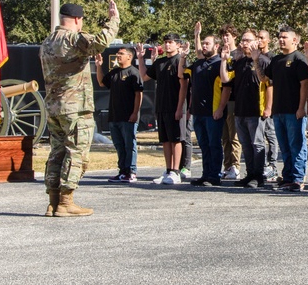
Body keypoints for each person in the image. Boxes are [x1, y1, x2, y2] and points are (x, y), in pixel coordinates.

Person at [40, 0, 119, 217]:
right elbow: (101, 42)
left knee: (57, 152)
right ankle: (66, 203)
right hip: (75, 108)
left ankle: (53, 202)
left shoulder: (47, 42)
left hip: (54, 108)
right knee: (76, 153)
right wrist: (114, 20)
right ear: (77, 20)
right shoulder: (74, 39)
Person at [261, 26, 308, 192]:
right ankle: (288, 177)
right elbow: (264, 79)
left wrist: (303, 107)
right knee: (284, 146)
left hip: (294, 111)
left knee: (296, 145)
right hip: (279, 111)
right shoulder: (276, 60)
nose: (281, 40)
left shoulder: (299, 59)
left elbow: (305, 84)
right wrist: (256, 59)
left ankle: (298, 179)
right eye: (279, 37)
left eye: (285, 37)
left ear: (294, 40)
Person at [220, 29, 271, 188]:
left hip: (256, 110)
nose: (244, 43)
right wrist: (223, 61)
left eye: (248, 40)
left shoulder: (264, 61)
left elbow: (268, 84)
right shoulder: (239, 61)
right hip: (240, 110)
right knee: (246, 144)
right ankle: (250, 174)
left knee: (257, 144)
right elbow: (226, 79)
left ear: (256, 42)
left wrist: (268, 108)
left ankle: (258, 176)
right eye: (243, 41)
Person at [138, 34, 188, 185]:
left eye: (171, 42)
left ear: (178, 45)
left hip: (176, 105)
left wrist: (180, 108)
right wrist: (140, 58)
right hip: (162, 105)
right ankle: (168, 170)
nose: (167, 45)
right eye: (165, 42)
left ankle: (176, 171)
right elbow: (144, 76)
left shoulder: (180, 60)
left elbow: (184, 85)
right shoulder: (160, 62)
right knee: (165, 140)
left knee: (176, 139)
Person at [185, 31, 229, 186]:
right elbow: (188, 83)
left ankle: (214, 176)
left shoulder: (219, 64)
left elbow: (226, 87)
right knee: (203, 145)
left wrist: (220, 108)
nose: (204, 46)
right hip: (198, 112)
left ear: (216, 46)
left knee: (214, 144)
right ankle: (205, 174)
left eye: (207, 43)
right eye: (202, 43)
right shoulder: (198, 64)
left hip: (213, 112)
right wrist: (190, 107)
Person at [95, 46, 143, 184]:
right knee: (119, 145)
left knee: (129, 144)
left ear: (129, 56)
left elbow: (139, 94)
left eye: (121, 53)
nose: (118, 55)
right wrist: (99, 66)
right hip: (114, 116)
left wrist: (135, 113)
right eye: (117, 53)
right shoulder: (115, 72)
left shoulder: (134, 73)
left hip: (128, 116)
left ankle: (131, 172)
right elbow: (101, 82)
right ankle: (122, 171)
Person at [217, 24, 243, 179]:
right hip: (221, 98)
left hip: (234, 98)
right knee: (225, 137)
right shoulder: (221, 53)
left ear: (234, 36)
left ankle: (236, 166)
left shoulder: (238, 53)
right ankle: (227, 166)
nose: (225, 38)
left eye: (228, 35)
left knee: (234, 136)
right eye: (223, 35)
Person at [257, 28, 280, 179]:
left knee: (270, 135)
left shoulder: (271, 58)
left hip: (269, 103)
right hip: (256, 104)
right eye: (257, 37)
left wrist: (269, 106)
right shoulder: (255, 58)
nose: (259, 40)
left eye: (262, 38)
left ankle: (272, 165)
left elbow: (270, 84)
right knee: (259, 137)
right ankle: (262, 165)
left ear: (268, 40)